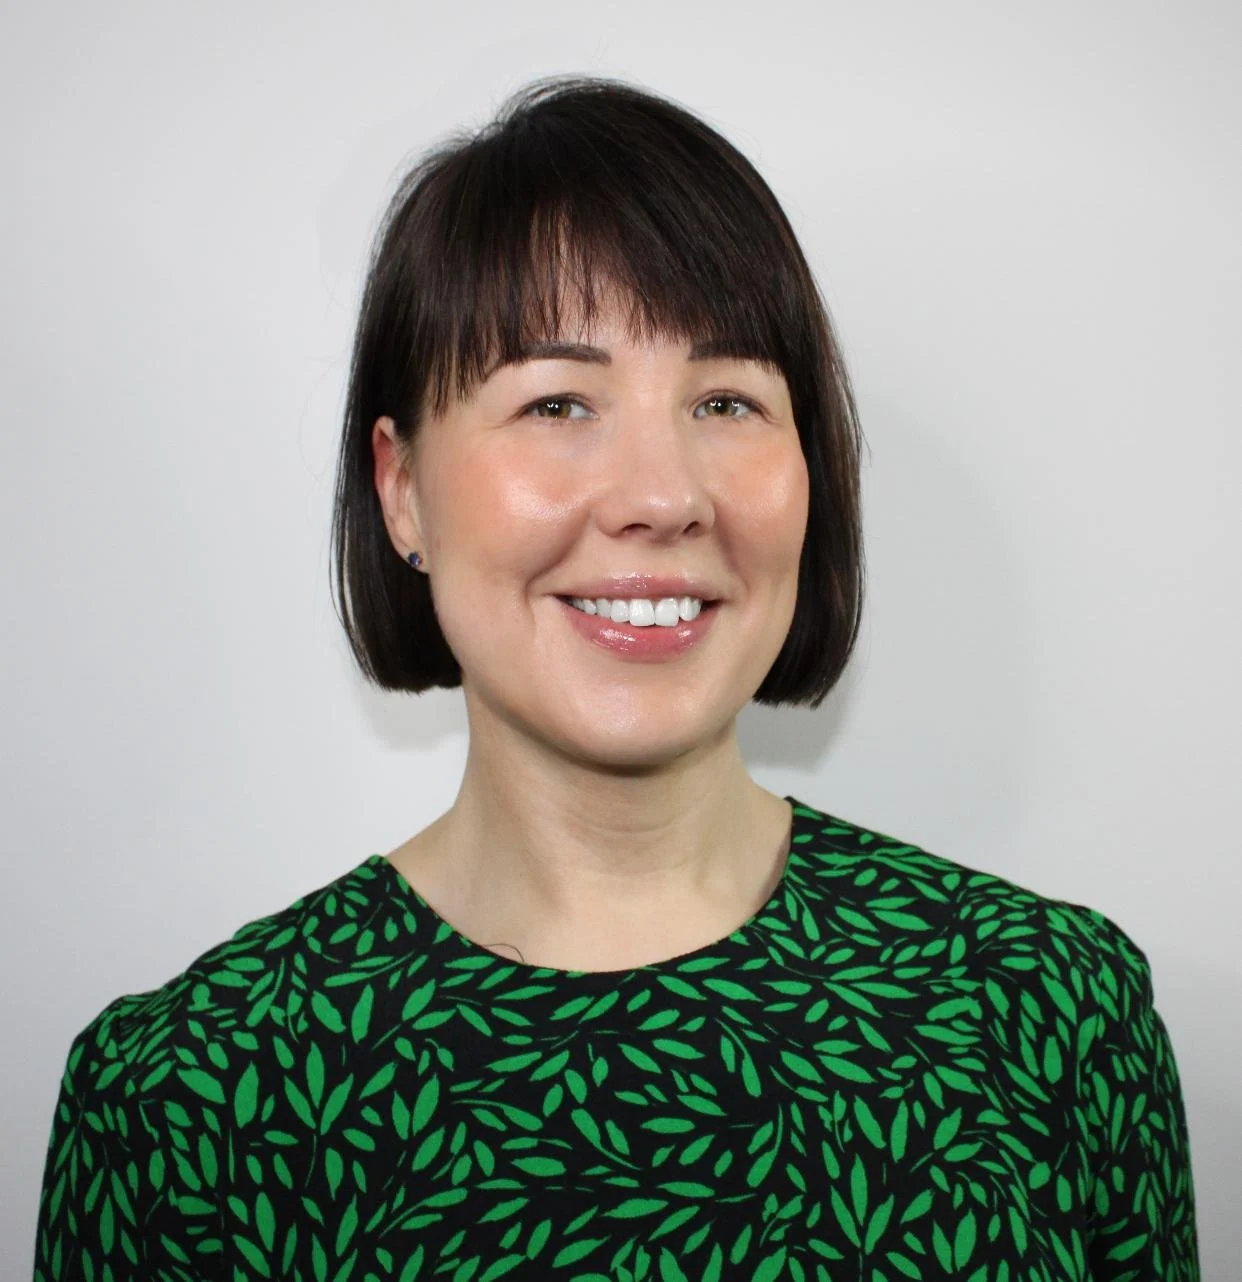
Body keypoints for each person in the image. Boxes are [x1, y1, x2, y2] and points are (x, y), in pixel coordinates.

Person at [33, 75, 1198, 1281]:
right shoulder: (185, 1102)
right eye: (557, 401)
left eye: (727, 399)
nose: (661, 495)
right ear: (401, 488)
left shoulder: (1050, 1015)